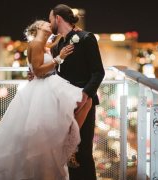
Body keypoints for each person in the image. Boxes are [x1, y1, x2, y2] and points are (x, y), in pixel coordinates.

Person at [0, 20, 92, 180]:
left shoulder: (43, 44)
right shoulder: (35, 44)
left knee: (83, 103)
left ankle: (66, 143)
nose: (50, 25)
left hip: (47, 87)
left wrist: (70, 32)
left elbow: (52, 45)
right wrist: (58, 58)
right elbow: (38, 71)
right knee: (43, 131)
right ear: (39, 27)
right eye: (46, 24)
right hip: (41, 89)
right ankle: (66, 146)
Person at [49, 4, 105, 180]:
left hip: (83, 104)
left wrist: (85, 95)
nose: (49, 22)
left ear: (58, 18)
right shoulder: (57, 45)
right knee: (65, 153)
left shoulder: (86, 38)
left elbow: (98, 72)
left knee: (83, 153)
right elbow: (54, 71)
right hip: (62, 105)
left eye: (50, 18)